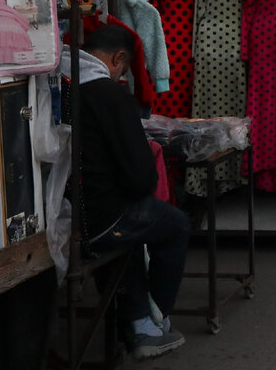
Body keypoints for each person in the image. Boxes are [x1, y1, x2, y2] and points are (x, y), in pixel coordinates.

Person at [64, 24, 190, 360]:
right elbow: (139, 177)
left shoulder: (60, 82)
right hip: (99, 216)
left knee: (135, 228)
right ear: (118, 59)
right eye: (123, 69)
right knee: (174, 224)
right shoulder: (108, 94)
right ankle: (154, 319)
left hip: (69, 212)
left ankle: (136, 320)